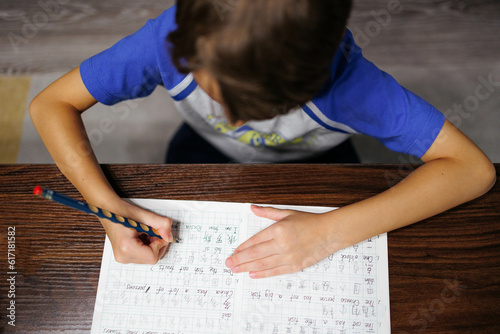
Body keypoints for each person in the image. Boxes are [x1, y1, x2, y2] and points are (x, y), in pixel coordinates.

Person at [29, 0, 495, 279]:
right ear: (185, 49)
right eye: (215, 95)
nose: (230, 117)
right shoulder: (166, 39)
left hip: (319, 167)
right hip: (199, 153)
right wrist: (106, 208)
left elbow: (472, 170)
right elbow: (50, 105)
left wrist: (328, 234)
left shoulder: (354, 86)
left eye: (258, 110)